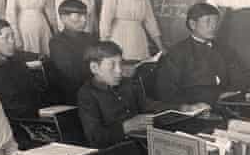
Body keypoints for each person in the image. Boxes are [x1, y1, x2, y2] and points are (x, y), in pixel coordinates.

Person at [77, 41, 206, 148]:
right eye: (112, 65)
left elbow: (148, 105)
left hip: (143, 143)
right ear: (94, 68)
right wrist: (125, 128)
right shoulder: (87, 94)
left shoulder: (128, 84)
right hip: (115, 152)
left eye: (120, 64)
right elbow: (95, 137)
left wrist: (182, 108)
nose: (119, 71)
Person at [156, 2, 250, 106]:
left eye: (215, 22)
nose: (213, 27)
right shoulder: (177, 53)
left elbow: (242, 76)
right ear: (192, 24)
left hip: (228, 104)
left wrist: (234, 92)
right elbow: (167, 91)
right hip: (196, 108)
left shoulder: (225, 49)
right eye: (208, 22)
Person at [0, 19, 42, 121]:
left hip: (32, 119)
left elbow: (33, 93)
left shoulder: (18, 62)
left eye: (12, 36)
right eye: (6, 38)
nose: (12, 41)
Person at [48, 0, 98, 105]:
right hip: (73, 95)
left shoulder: (91, 38)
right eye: (79, 16)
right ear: (63, 18)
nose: (84, 20)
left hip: (94, 88)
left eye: (85, 16)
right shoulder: (57, 42)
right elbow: (71, 74)